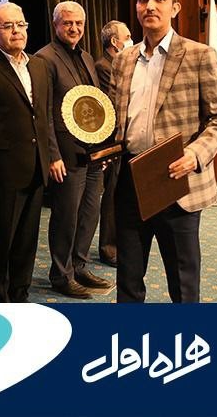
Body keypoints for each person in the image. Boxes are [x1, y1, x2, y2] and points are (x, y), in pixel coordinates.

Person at [110, 0, 217, 303]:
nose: (150, 5)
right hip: (130, 179)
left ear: (175, 8)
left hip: (177, 182)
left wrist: (195, 155)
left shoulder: (199, 55)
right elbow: (115, 120)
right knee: (128, 281)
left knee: (183, 285)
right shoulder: (123, 60)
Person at [0, 2, 60, 302]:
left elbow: (44, 116)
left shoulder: (39, 65)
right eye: (8, 26)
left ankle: (20, 296)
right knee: (0, 242)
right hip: (1, 172)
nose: (16, 31)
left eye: (21, 25)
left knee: (26, 241)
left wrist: (52, 156)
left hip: (35, 166)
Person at [35, 1, 112, 299]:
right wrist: (52, 155)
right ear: (55, 25)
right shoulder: (44, 59)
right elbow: (42, 113)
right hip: (66, 153)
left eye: (79, 23)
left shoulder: (87, 57)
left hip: (92, 151)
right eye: (68, 23)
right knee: (66, 216)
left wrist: (103, 148)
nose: (74, 28)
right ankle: (61, 274)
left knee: (89, 212)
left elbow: (96, 105)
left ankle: (79, 266)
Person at [94, 20, 132, 267]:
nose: (131, 40)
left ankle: (122, 243)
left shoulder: (124, 64)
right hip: (112, 140)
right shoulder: (104, 66)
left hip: (127, 139)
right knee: (111, 195)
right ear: (115, 42)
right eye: (127, 37)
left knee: (123, 194)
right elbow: (114, 103)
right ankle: (109, 248)